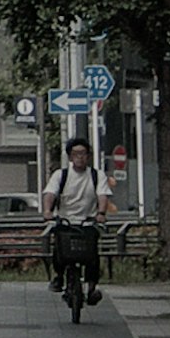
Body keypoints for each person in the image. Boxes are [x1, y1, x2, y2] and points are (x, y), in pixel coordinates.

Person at [44, 132, 109, 316]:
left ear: (88, 156)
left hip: (88, 222)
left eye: (83, 153)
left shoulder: (97, 175)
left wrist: (101, 213)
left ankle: (92, 287)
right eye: (76, 154)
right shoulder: (61, 175)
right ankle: (58, 278)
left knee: (92, 256)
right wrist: (48, 211)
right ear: (70, 157)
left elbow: (102, 195)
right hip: (65, 220)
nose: (80, 157)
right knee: (59, 251)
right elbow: (50, 193)